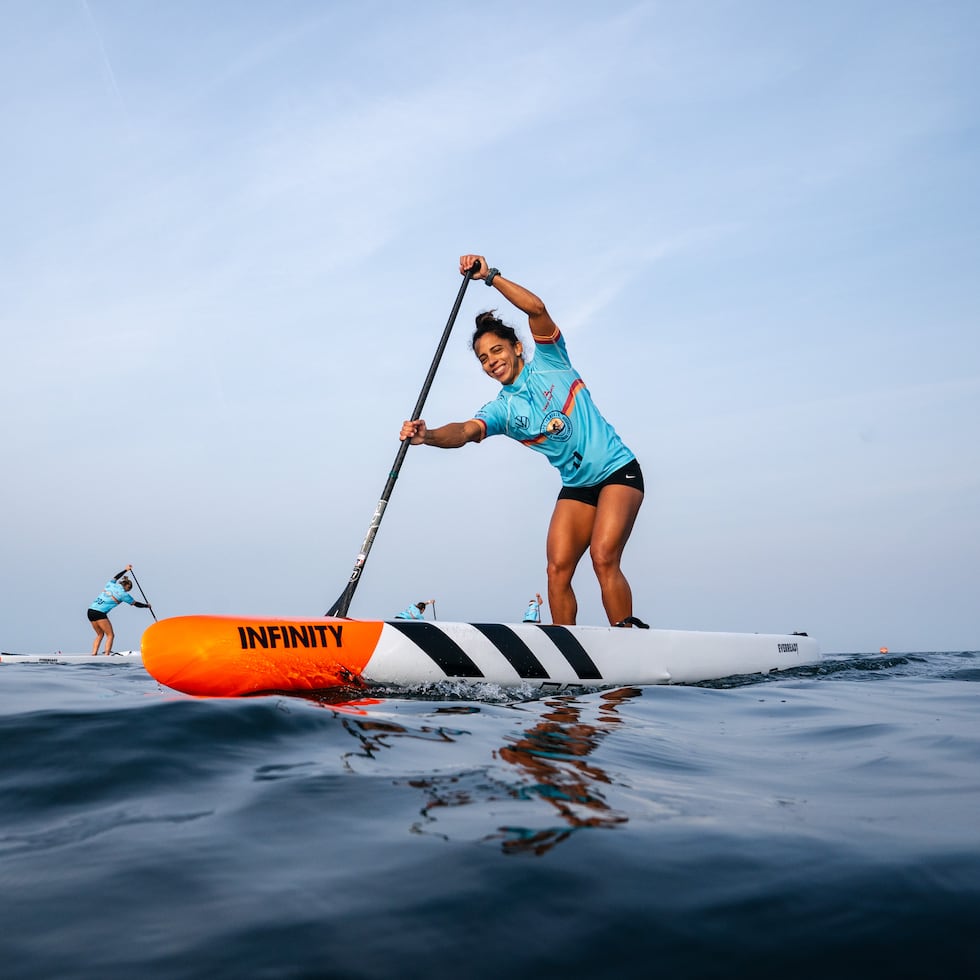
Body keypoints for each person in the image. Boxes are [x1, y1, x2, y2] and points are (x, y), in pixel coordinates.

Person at [400, 254, 646, 628]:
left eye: (496, 350)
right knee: (557, 569)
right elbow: (465, 431)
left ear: (516, 347)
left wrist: (491, 277)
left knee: (603, 557)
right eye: (483, 358)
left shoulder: (551, 361)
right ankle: (566, 648)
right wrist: (428, 435)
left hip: (617, 472)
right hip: (578, 486)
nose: (491, 361)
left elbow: (537, 309)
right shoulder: (502, 409)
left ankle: (628, 639)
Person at [87, 564, 152, 655]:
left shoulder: (111, 584)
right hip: (99, 613)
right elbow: (135, 604)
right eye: (129, 590)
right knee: (110, 635)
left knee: (100, 634)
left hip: (90, 610)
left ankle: (94, 653)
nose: (128, 592)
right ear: (127, 587)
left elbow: (116, 577)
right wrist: (146, 606)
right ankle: (106, 655)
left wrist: (126, 570)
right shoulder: (124, 594)